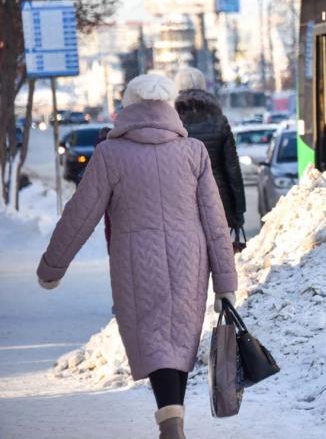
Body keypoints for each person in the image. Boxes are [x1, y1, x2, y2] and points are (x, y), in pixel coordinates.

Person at [36, 74, 237, 439]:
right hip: (189, 257)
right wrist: (225, 281)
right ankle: (174, 419)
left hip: (134, 261)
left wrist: (53, 267)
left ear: (128, 106)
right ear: (168, 107)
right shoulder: (193, 152)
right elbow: (215, 221)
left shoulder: (110, 154)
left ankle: (169, 418)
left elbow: (80, 213)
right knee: (178, 337)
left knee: (154, 337)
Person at [173, 67, 246, 232]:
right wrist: (238, 211)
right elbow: (232, 168)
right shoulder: (219, 120)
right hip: (218, 199)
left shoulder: (171, 122)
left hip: (182, 199)